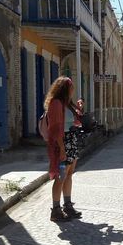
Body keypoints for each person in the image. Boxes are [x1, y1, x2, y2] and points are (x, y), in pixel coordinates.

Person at [44, 76, 81, 222]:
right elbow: (56, 129)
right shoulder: (56, 103)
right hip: (62, 142)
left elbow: (75, 120)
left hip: (70, 140)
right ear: (65, 88)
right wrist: (62, 149)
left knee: (69, 174)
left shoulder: (66, 103)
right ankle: (56, 210)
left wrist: (78, 108)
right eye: (71, 87)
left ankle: (67, 205)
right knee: (60, 176)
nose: (73, 90)